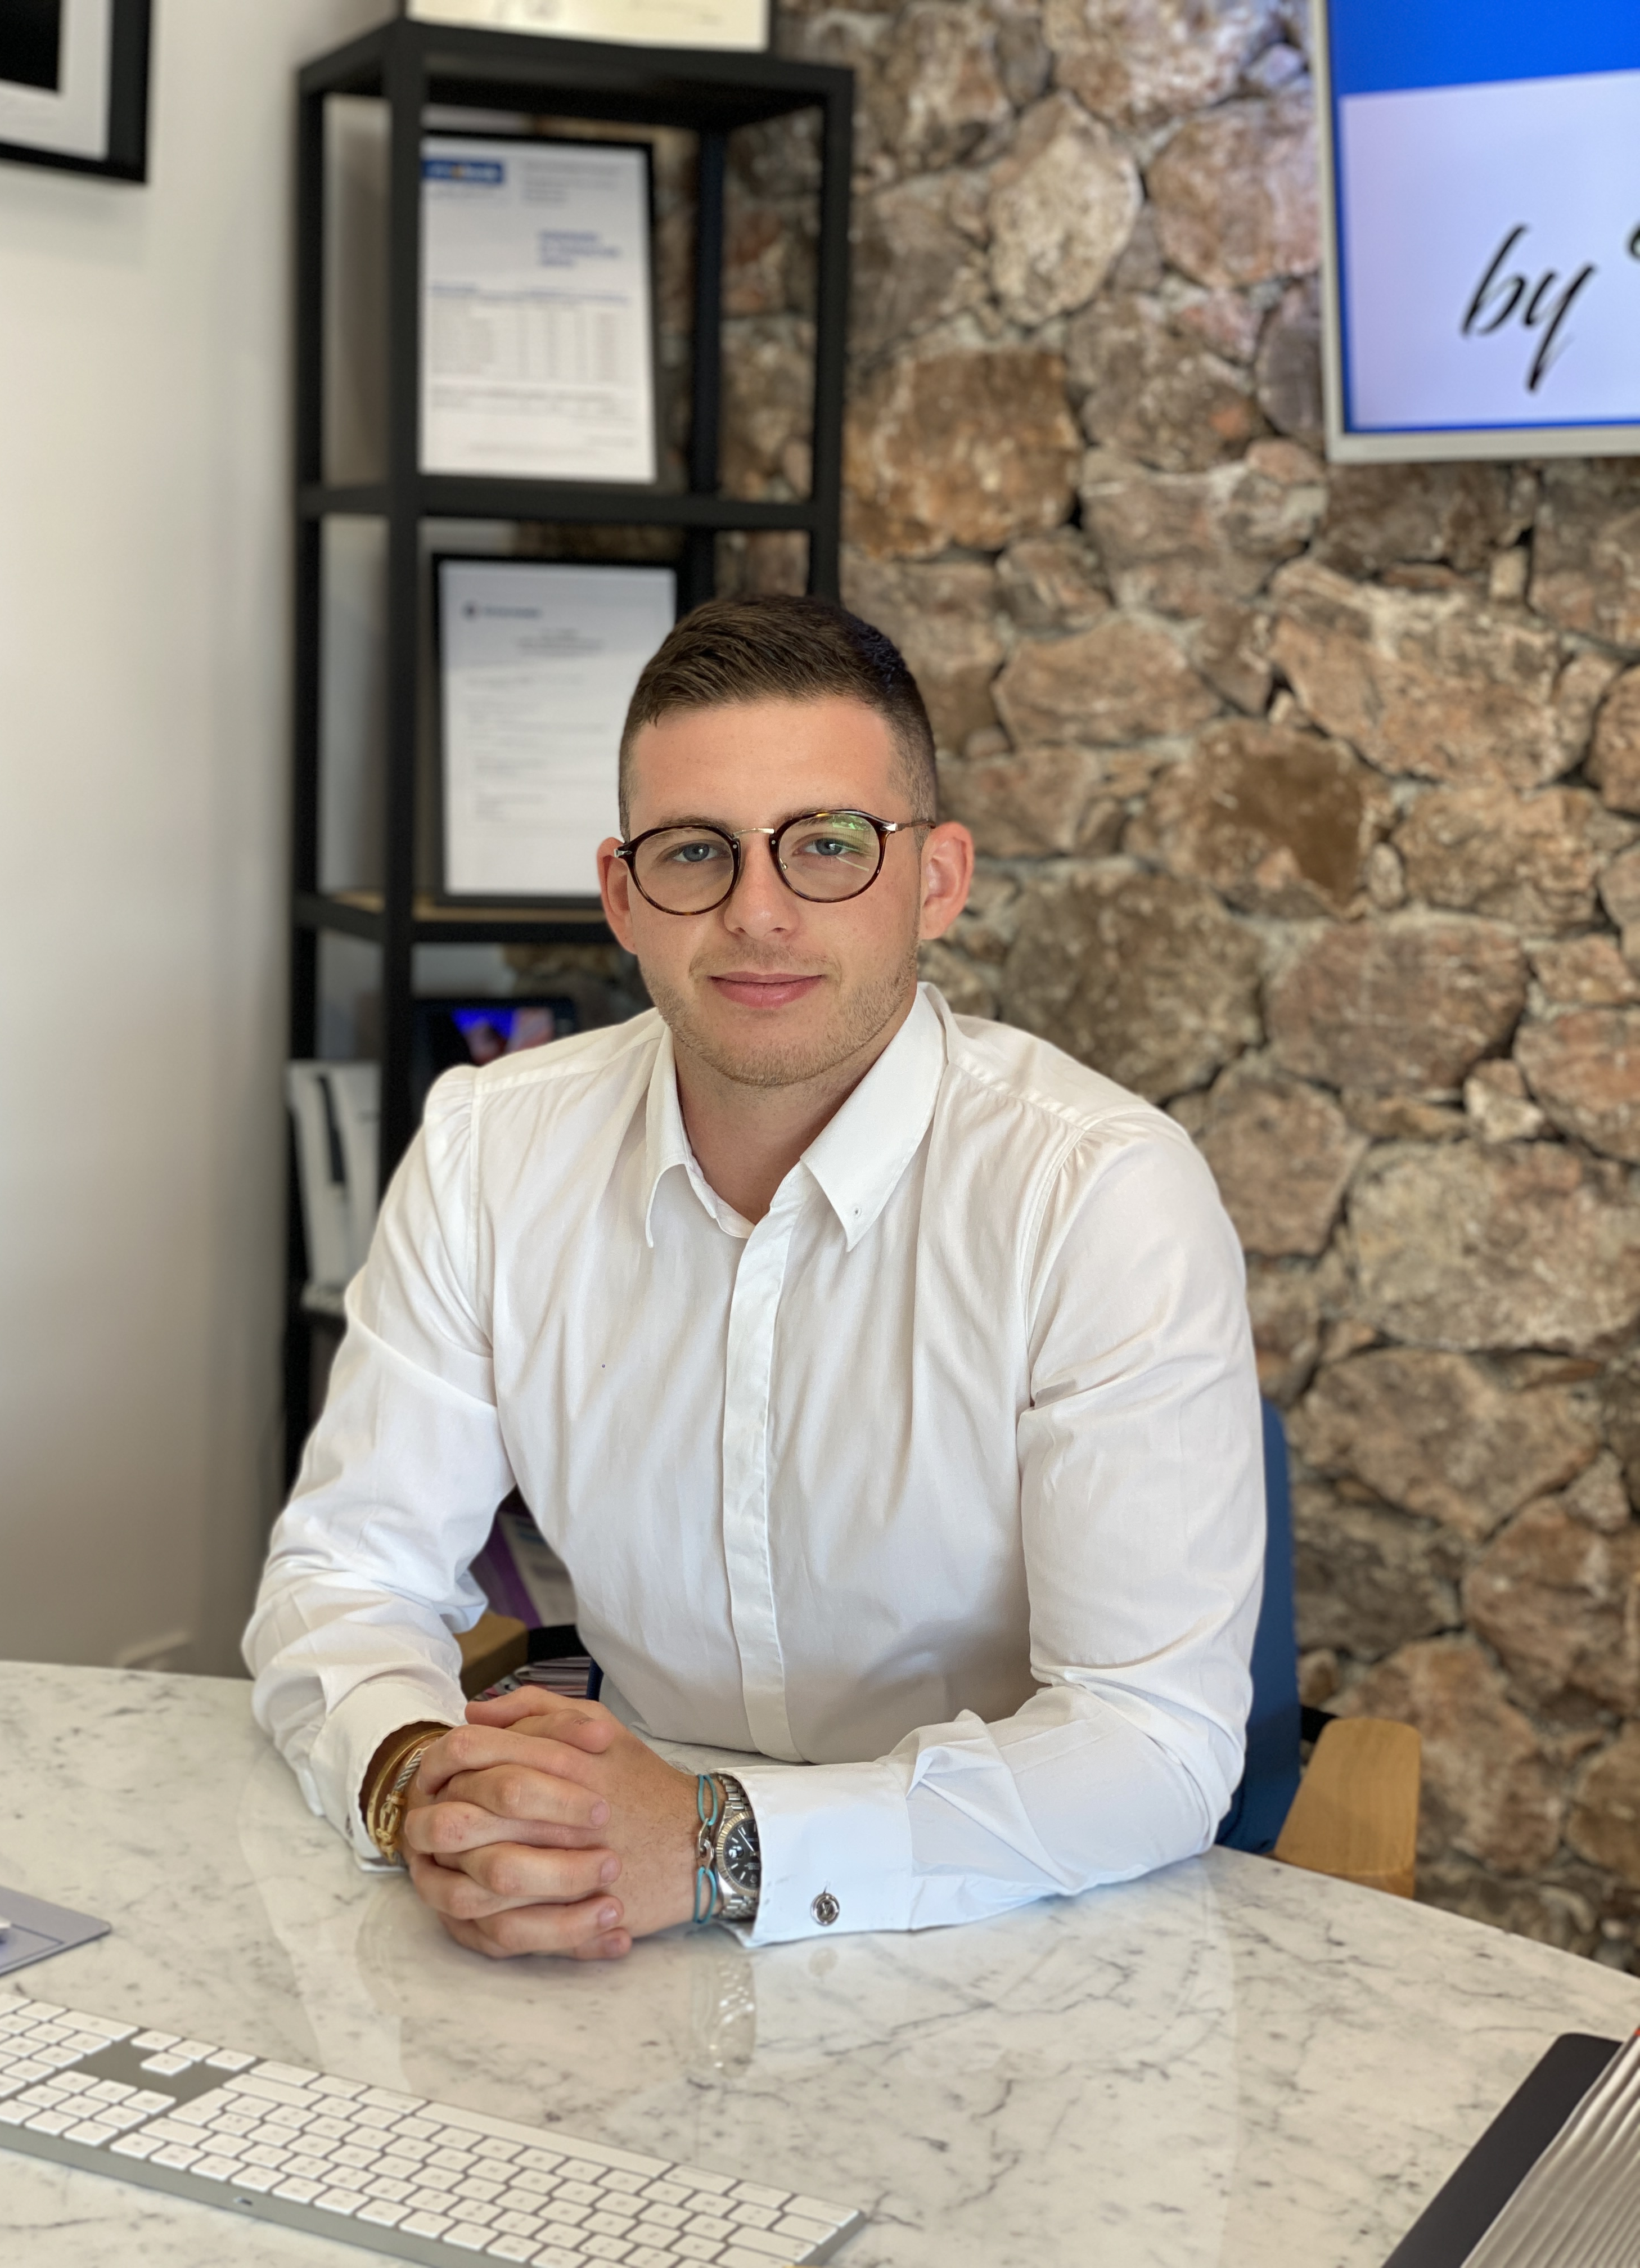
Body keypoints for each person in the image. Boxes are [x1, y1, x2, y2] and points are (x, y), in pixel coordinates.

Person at [245, 594, 1264, 1962]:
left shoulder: (1100, 1196)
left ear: (937, 879)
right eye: (695, 853)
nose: (758, 913)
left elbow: (1153, 1742)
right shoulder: (492, 1149)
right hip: (607, 1905)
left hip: (1002, 1922)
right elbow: (346, 1572)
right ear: (624, 897)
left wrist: (718, 1842)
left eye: (829, 845)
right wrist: (425, 1780)